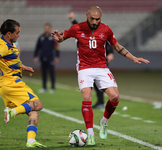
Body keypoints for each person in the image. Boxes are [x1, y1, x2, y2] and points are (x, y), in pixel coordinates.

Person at [51, 6, 150, 145]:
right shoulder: (77, 28)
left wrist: (132, 57)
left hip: (101, 67)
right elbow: (62, 37)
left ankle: (104, 121)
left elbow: (116, 46)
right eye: (92, 19)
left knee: (115, 97)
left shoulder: (106, 30)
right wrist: (58, 39)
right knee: (86, 96)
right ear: (87, 15)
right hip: (84, 67)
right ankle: (90, 134)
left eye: (97, 19)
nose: (95, 22)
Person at [0, 19, 46, 148]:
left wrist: (24, 67)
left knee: (34, 111)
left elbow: (13, 61)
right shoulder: (2, 46)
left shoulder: (10, 44)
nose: (19, 35)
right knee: (38, 104)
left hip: (9, 85)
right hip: (12, 84)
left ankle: (31, 141)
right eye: (17, 32)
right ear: (9, 33)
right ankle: (13, 112)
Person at [68, 12, 114, 109]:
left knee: (101, 84)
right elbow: (78, 29)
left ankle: (103, 102)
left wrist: (110, 53)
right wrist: (72, 20)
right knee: (95, 84)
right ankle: (101, 102)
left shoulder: (102, 32)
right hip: (91, 64)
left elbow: (109, 43)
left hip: (100, 63)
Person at [34, 23, 59, 94]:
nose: (46, 29)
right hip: (42, 58)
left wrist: (57, 56)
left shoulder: (52, 38)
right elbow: (37, 47)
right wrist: (35, 56)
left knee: (51, 73)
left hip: (50, 58)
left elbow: (57, 47)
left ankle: (53, 88)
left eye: (48, 28)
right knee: (43, 73)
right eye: (45, 28)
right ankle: (44, 87)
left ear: (50, 28)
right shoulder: (41, 37)